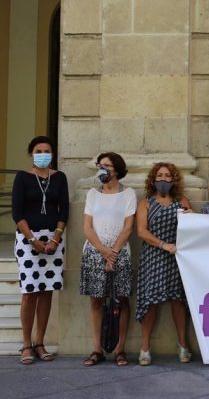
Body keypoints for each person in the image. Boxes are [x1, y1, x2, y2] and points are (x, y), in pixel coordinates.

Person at [12, 136, 69, 365]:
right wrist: (33, 239)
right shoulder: (22, 177)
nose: (43, 155)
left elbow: (64, 210)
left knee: (46, 291)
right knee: (30, 291)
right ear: (31, 153)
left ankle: (40, 343)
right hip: (28, 239)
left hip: (54, 239)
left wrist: (55, 238)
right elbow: (17, 213)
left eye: (47, 151)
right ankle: (26, 344)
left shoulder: (60, 177)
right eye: (39, 151)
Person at [80, 152, 136, 367]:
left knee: (122, 299)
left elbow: (128, 227)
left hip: (119, 252)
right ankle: (97, 349)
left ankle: (120, 349)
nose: (102, 169)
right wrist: (103, 251)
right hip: (95, 252)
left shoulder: (128, 193)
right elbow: (87, 227)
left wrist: (113, 252)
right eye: (100, 165)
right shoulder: (93, 194)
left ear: (117, 169)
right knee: (96, 300)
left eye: (106, 166)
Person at [135, 162, 193, 366]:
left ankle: (183, 344)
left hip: (178, 254)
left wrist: (190, 217)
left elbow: (193, 226)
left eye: (167, 176)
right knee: (151, 300)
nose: (163, 179)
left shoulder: (182, 201)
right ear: (153, 179)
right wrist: (162, 244)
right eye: (159, 175)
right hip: (153, 255)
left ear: (173, 179)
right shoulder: (146, 202)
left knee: (178, 300)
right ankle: (145, 346)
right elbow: (141, 231)